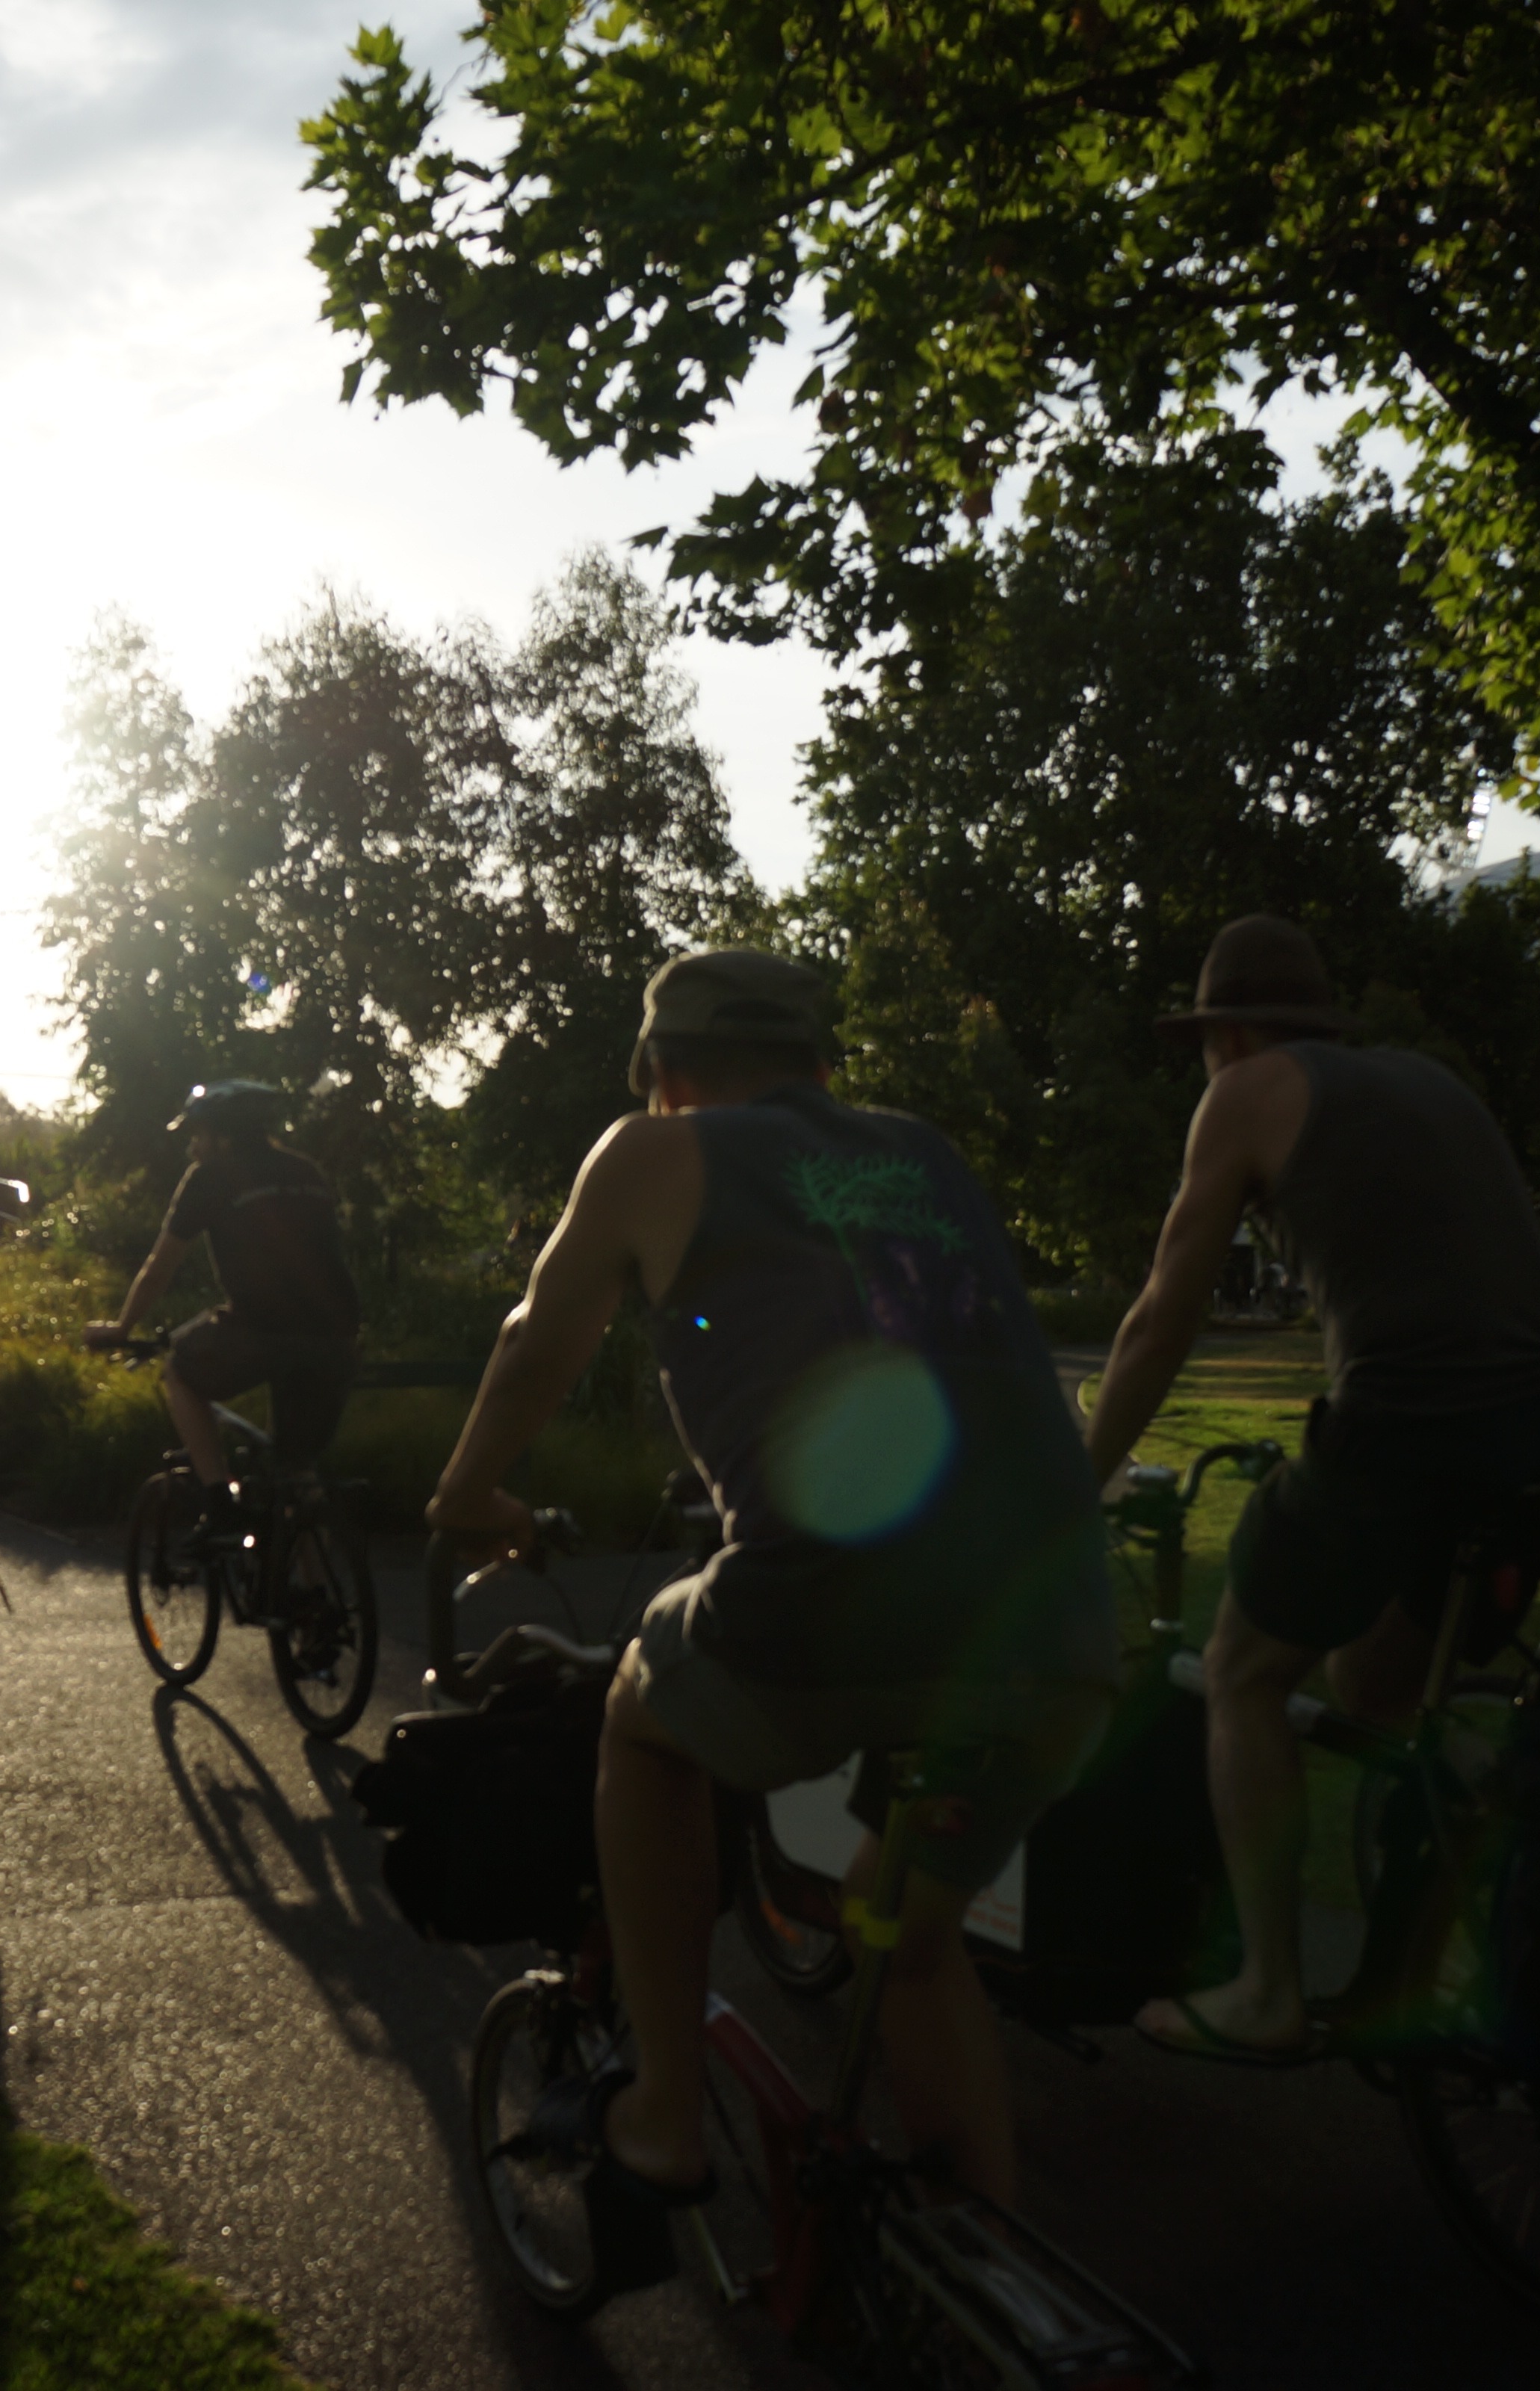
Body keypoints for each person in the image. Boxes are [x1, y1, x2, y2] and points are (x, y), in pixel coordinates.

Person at [425, 949, 1113, 2259]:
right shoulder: (919, 1151)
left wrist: (467, 1495)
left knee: (639, 1714)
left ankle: (667, 2114)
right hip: (1056, 1626)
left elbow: (533, 1339)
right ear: (823, 1065)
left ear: (662, 1074)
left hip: (827, 1605)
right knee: (903, 1933)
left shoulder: (647, 1151)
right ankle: (990, 2277)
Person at [1080, 914, 1540, 2066]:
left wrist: (1085, 1476)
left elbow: (1166, 1313)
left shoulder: (1248, 1088)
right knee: (1377, 1696)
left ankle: (1268, 1990)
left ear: (1229, 1031)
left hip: (1411, 1430)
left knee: (1238, 1673)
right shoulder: (1427, 1082)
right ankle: (1425, 1967)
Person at [84, 1080, 359, 1523]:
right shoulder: (306, 1171)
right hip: (338, 1337)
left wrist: (120, 1329)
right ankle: (316, 1587)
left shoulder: (211, 1177)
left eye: (198, 1136)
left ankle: (218, 1499)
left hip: (261, 1329)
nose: (193, 1147)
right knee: (295, 1472)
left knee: (180, 1374)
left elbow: (159, 1267)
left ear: (224, 1137)